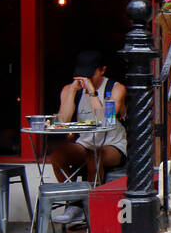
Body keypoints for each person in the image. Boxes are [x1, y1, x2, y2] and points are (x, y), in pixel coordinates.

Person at [48, 51, 127, 221]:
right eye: (82, 74)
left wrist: (92, 93)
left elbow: (106, 121)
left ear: (102, 70)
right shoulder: (71, 89)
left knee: (94, 156)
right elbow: (63, 120)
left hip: (113, 144)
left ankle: (90, 206)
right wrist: (71, 93)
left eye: (90, 74)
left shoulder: (115, 89)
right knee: (57, 156)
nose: (85, 79)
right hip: (84, 142)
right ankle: (75, 202)